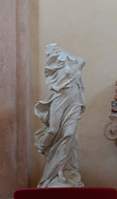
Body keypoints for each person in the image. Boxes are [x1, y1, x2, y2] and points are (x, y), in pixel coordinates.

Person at [34, 43, 86, 186]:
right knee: (53, 130)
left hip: (74, 101)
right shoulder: (54, 66)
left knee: (69, 134)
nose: (49, 55)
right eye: (48, 54)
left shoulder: (76, 62)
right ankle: (43, 146)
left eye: (50, 52)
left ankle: (61, 171)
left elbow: (80, 67)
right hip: (59, 99)